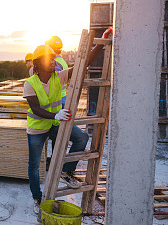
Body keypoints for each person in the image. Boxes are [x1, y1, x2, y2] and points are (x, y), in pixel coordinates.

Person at [24, 29, 112, 214]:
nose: (54, 62)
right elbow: (35, 109)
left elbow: (84, 64)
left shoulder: (60, 76)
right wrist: (54, 115)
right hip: (37, 130)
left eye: (54, 59)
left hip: (55, 125)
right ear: (39, 64)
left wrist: (100, 44)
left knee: (81, 138)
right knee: (34, 166)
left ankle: (66, 172)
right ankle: (37, 197)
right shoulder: (30, 83)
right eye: (50, 59)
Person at [45, 36, 69, 107]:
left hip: (57, 99)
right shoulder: (62, 61)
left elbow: (54, 83)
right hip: (62, 96)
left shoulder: (55, 63)